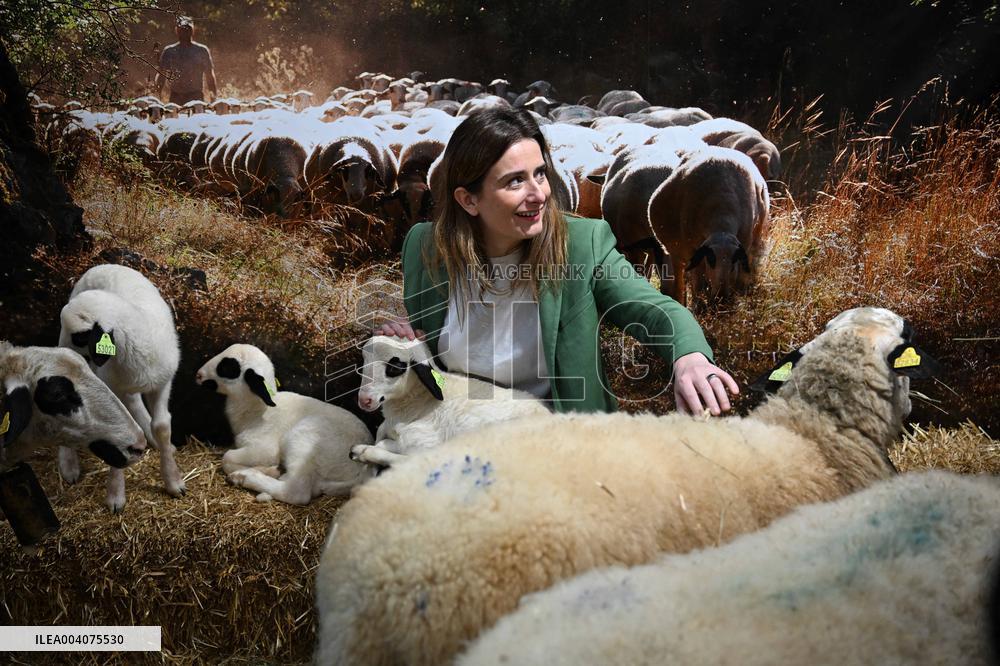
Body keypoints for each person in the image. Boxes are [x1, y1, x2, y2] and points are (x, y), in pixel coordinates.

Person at [379, 107, 738, 416]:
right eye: (515, 181)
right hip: (456, 429)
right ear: (469, 200)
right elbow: (432, 364)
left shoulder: (582, 245)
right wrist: (409, 344)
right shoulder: (425, 248)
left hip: (556, 438)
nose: (539, 194)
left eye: (540, 173)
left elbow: (651, 308)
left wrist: (689, 356)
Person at [154, 15, 217, 106]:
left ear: (192, 30)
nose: (184, 32)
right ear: (177, 30)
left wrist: (213, 97)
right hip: (175, 97)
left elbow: (209, 75)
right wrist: (157, 96)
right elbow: (161, 75)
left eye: (187, 29)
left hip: (196, 97)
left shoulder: (201, 50)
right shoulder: (169, 51)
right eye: (181, 29)